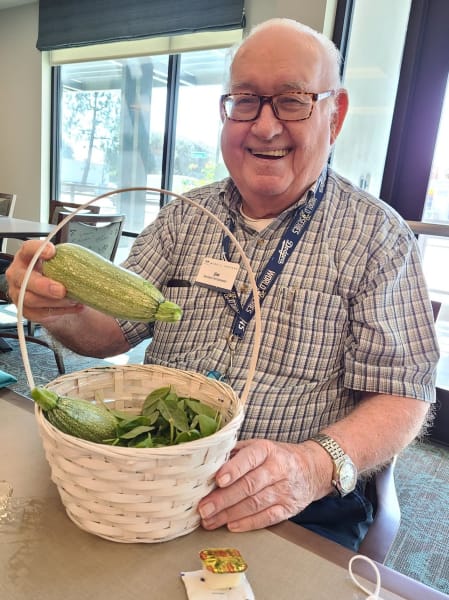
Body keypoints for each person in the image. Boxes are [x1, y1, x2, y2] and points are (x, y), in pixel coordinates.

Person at [6, 18, 439, 551]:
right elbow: (111, 335)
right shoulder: (182, 218)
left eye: (292, 100)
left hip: (291, 506)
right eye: (245, 100)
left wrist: (312, 465)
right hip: (152, 481)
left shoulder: (377, 238)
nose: (264, 126)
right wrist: (59, 308)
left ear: (335, 114)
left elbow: (403, 393)